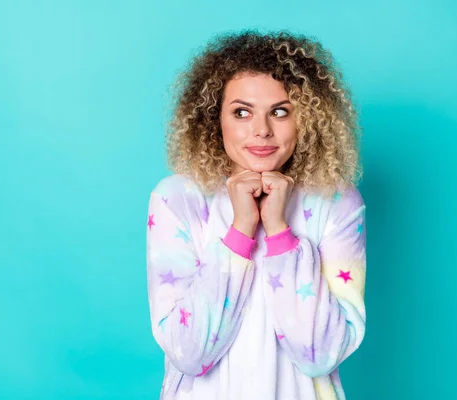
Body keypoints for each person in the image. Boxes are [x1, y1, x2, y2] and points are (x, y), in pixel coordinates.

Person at [145, 29, 366, 400]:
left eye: (280, 112)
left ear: (307, 119)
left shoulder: (336, 201)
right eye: (242, 112)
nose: (261, 131)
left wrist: (280, 233)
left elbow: (321, 355)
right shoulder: (176, 200)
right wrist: (241, 230)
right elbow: (188, 352)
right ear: (214, 119)